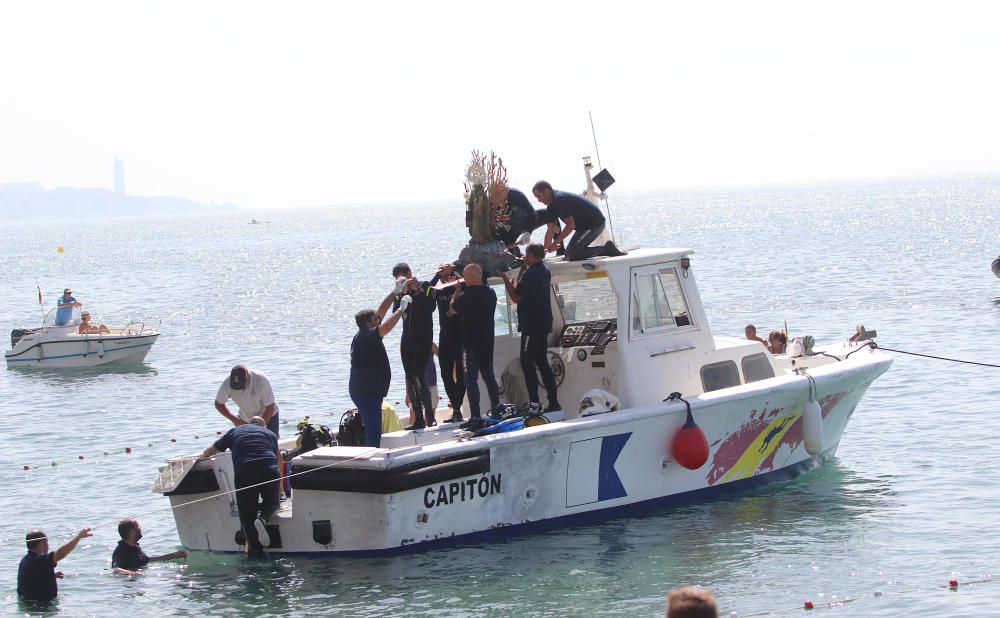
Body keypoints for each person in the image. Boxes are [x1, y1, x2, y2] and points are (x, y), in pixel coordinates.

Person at [200, 416, 279, 558]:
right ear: (264, 426)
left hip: (245, 471)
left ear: (249, 423)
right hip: (269, 469)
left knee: (247, 514)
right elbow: (277, 457)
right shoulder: (270, 434)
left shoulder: (235, 431)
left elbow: (213, 449)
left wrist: (202, 456)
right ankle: (263, 518)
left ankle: (256, 553)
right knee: (272, 502)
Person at [501, 243, 561, 413]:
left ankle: (535, 403)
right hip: (543, 324)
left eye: (526, 255)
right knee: (541, 361)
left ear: (532, 255)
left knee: (527, 362)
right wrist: (521, 270)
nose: (524, 258)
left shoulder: (532, 274)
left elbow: (516, 297)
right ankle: (553, 401)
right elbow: (521, 287)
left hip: (532, 325)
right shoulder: (543, 270)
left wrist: (504, 278)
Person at [350, 287, 405, 447]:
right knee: (374, 429)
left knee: (373, 426)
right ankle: (372, 456)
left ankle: (372, 451)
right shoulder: (367, 336)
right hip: (366, 392)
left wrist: (395, 292)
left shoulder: (366, 332)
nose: (379, 320)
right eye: (375, 320)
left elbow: (381, 312)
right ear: (368, 324)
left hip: (367, 390)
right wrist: (401, 309)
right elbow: (386, 327)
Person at [449, 263, 501, 422]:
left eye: (465, 277)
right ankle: (496, 409)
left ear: (471, 277)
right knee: (489, 377)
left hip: (469, 345)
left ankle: (476, 415)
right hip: (487, 343)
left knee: (470, 380)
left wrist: (456, 293)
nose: (463, 280)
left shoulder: (465, 296)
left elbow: (451, 310)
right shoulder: (491, 294)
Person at [392, 263, 439, 430]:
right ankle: (418, 418)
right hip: (407, 338)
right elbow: (395, 312)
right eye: (398, 280)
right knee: (410, 377)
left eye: (403, 278)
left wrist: (417, 291)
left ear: (410, 274)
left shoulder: (425, 286)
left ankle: (430, 417)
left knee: (419, 375)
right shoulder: (400, 291)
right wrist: (401, 293)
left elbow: (430, 307)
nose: (402, 282)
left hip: (423, 337)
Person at [532, 180, 623, 261]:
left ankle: (607, 249)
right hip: (583, 227)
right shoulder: (551, 207)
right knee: (569, 255)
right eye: (536, 198)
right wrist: (542, 254)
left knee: (572, 255)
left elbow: (570, 226)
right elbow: (550, 230)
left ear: (547, 191)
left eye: (539, 196)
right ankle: (602, 249)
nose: (539, 200)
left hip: (594, 223)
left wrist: (555, 243)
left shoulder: (560, 200)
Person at [17, 527, 92, 604]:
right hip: (39, 607)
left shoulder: (26, 560)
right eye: (46, 542)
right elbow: (60, 554)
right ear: (43, 543)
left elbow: (32, 578)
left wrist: (51, 575)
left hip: (27, 603)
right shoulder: (40, 559)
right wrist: (78, 537)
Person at [431, 262, 465, 422]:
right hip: (445, 336)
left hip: (461, 335)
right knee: (445, 373)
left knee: (461, 373)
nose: (445, 276)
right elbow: (428, 288)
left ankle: (457, 409)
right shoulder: (439, 291)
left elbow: (469, 278)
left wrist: (455, 271)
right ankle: (456, 408)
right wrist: (438, 274)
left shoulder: (461, 286)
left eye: (446, 272)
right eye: (442, 272)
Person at [215, 365, 281, 437]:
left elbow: (270, 406)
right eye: (236, 386)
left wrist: (260, 428)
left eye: (241, 385)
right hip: (244, 419)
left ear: (248, 376)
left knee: (270, 442)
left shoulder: (261, 380)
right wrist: (235, 420)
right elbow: (218, 403)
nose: (240, 389)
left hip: (269, 416)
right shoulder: (227, 383)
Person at [111, 519, 187, 575]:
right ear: (132, 532)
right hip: (131, 583)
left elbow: (147, 560)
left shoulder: (135, 547)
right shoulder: (120, 551)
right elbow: (115, 569)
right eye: (138, 527)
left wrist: (174, 555)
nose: (140, 529)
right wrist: (134, 573)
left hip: (143, 576)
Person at [493, 187, 542, 252]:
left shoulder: (517, 195)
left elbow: (532, 214)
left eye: (505, 199)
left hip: (522, 222)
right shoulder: (490, 202)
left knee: (547, 214)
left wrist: (528, 232)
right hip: (504, 228)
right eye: (501, 200)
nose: (504, 202)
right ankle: (515, 250)